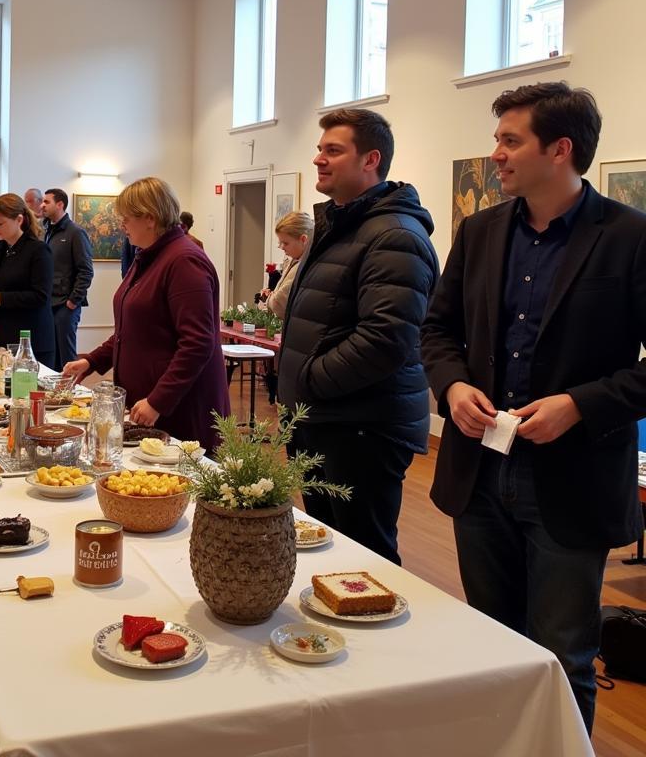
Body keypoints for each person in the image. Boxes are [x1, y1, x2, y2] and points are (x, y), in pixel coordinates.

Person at [421, 82, 646, 733]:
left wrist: (579, 405)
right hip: (481, 474)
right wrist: (454, 387)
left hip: (573, 480)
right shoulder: (482, 231)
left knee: (562, 656)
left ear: (560, 150)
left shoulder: (629, 237)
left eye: (509, 140)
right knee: (492, 647)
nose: (495, 154)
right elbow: (437, 332)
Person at [277, 109, 438, 565]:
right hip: (325, 419)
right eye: (319, 149)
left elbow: (386, 339)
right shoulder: (339, 225)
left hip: (363, 427)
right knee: (328, 549)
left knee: (365, 559)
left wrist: (308, 381)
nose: (318, 160)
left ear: (371, 159)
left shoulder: (395, 236)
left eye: (332, 150)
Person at [64, 177, 229, 453]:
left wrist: (158, 400)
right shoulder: (150, 257)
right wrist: (91, 361)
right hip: (155, 404)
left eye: (126, 218)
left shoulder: (183, 261)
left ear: (150, 218)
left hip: (182, 408)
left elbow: (197, 343)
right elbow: (135, 329)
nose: (121, 225)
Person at [0, 193, 55, 366]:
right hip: (1, 335)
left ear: (19, 220)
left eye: (0, 223)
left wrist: (2, 298)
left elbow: (40, 296)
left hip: (31, 339)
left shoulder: (38, 251)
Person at [42, 188, 94, 369]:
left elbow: (86, 271)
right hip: (49, 302)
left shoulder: (75, 232)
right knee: (51, 352)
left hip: (66, 305)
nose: (42, 205)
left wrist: (73, 301)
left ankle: (71, 395)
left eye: (46, 202)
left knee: (67, 357)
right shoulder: (47, 231)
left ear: (60, 204)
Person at [259, 210, 314, 322]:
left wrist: (268, 299)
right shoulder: (295, 260)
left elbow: (279, 305)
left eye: (286, 243)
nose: (282, 247)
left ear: (303, 239)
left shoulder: (304, 266)